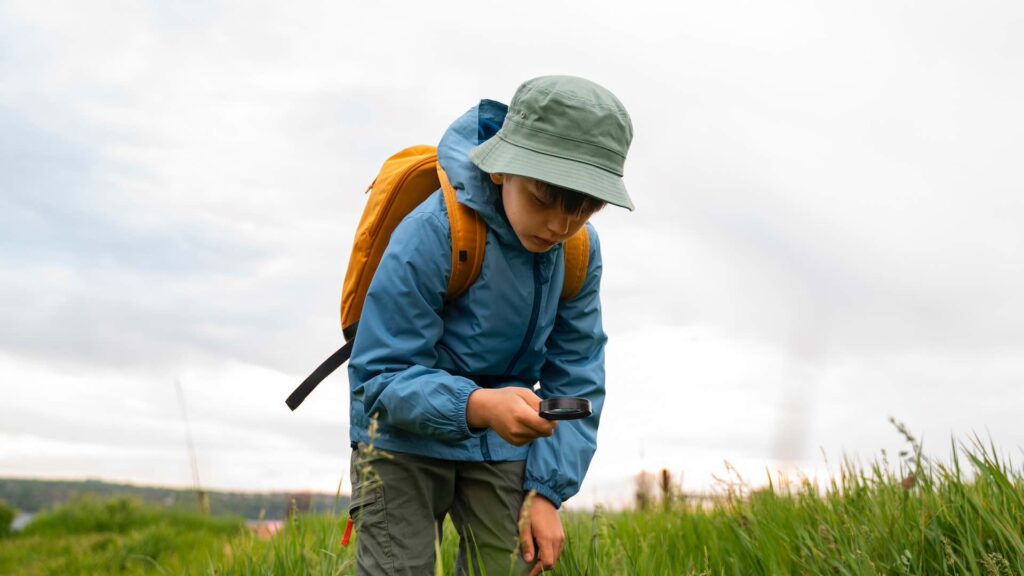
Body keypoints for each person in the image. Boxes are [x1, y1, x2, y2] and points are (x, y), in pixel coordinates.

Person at [347, 75, 634, 575]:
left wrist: (546, 493)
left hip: (502, 442)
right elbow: (379, 378)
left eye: (584, 208)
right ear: (501, 170)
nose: (559, 226)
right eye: (544, 199)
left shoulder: (579, 252)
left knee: (509, 566)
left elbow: (578, 372)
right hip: (400, 441)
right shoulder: (434, 232)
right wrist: (478, 405)